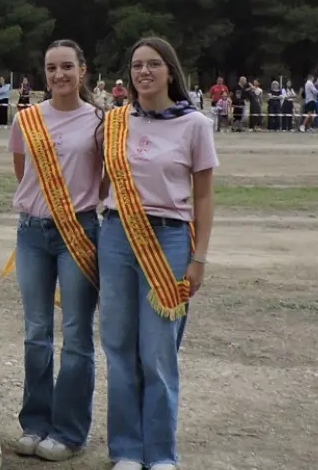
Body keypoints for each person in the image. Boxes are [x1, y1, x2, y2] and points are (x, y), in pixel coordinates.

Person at [99, 36, 218, 470]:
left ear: (170, 71)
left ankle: (161, 453)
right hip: (116, 236)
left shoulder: (195, 124)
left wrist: (199, 257)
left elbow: (203, 196)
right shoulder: (115, 122)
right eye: (136, 66)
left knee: (158, 350)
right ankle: (127, 450)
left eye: (153, 64)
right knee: (118, 345)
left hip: (168, 240)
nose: (144, 72)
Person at [5, 39, 105, 462]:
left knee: (77, 334)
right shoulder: (26, 119)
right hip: (32, 232)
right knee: (36, 332)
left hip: (78, 231)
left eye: (67, 66)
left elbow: (105, 179)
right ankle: (35, 423)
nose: (59, 74)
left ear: (82, 70)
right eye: (51, 68)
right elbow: (22, 172)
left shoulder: (101, 121)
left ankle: (69, 431)